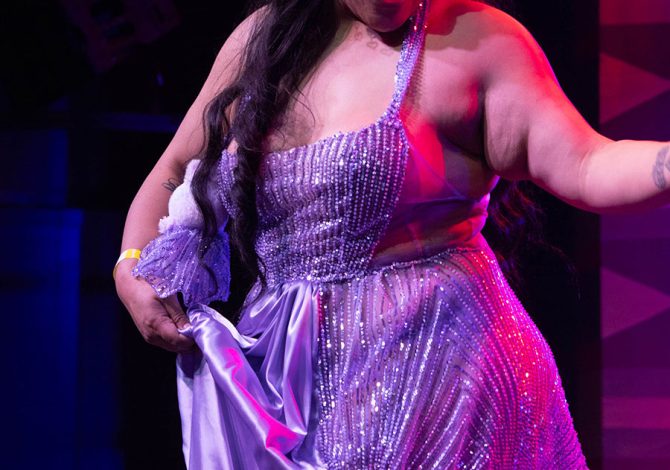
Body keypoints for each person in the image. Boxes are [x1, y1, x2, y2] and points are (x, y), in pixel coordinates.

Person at [114, 0, 669, 468]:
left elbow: (586, 163)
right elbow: (178, 169)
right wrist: (131, 263)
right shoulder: (265, 40)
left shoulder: (477, 40)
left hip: (450, 385)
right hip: (288, 381)